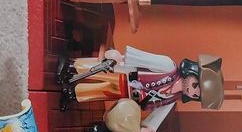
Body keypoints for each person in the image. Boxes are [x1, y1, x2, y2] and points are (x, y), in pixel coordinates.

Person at [59, 46, 224, 111]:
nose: (192, 91)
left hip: (128, 95)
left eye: (196, 95)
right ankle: (72, 66)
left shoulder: (171, 99)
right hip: (127, 75)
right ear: (192, 72)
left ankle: (73, 93)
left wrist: (148, 130)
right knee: (102, 71)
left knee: (102, 91)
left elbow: (156, 117)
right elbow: (145, 59)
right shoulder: (168, 66)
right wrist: (123, 58)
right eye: (195, 85)